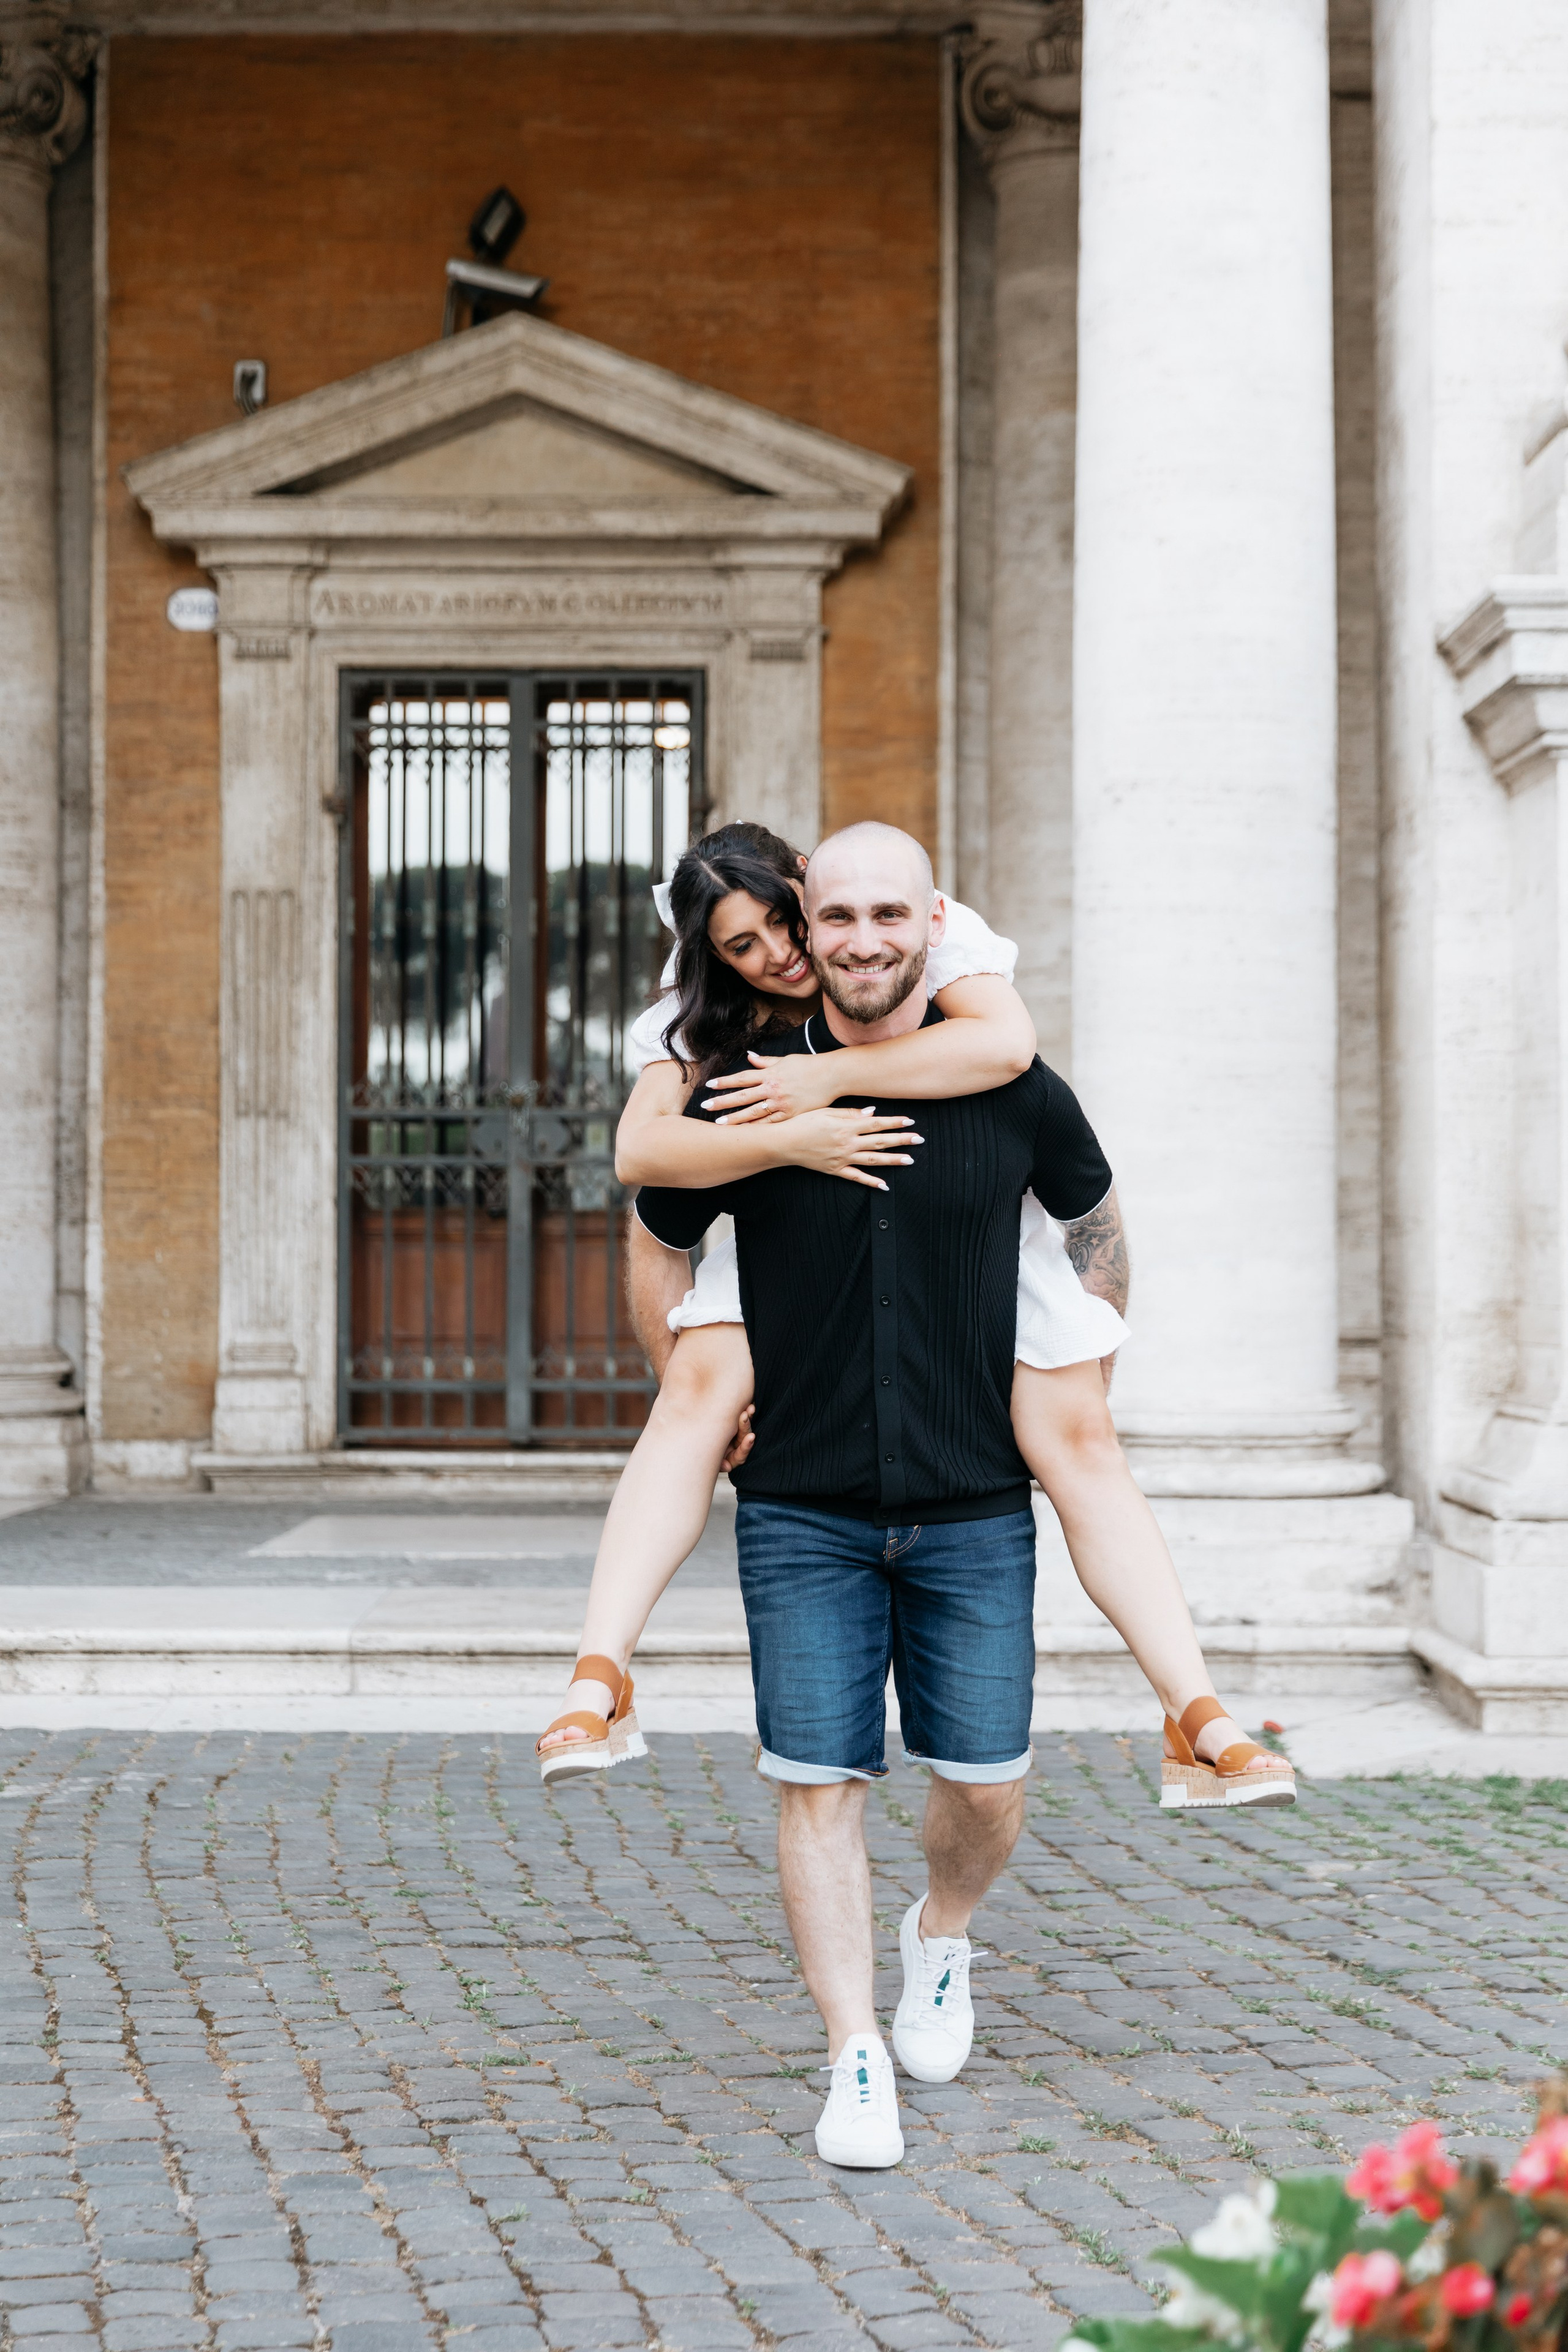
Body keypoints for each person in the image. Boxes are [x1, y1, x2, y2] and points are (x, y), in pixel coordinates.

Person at [543, 822, 1292, 2170]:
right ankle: (850, 2053)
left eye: (885, 915)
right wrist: (686, 1369)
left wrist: (1087, 1343)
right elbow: (652, 1221)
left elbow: (1093, 1213)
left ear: (928, 918)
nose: (850, 942)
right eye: (827, 922)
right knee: (815, 1781)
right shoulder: (733, 1085)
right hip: (803, 1509)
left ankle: (941, 1933)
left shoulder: (999, 1066)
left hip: (967, 1501)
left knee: (985, 1785)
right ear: (804, 929)